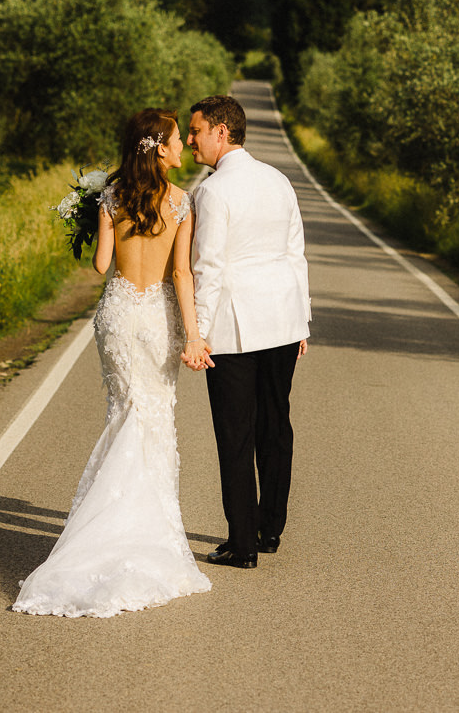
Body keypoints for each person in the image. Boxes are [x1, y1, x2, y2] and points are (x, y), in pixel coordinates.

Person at [13, 108, 213, 617]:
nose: (180, 147)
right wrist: (193, 336)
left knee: (125, 412)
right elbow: (182, 276)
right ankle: (142, 531)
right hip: (157, 317)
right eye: (174, 139)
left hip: (118, 315)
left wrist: (94, 213)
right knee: (153, 416)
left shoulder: (112, 196)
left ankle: (103, 528)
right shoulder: (181, 203)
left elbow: (102, 265)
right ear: (159, 147)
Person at [187, 94, 310, 570]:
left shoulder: (213, 192)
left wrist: (196, 332)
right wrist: (303, 320)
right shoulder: (279, 181)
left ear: (222, 131)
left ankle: (243, 544)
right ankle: (270, 529)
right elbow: (294, 254)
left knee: (235, 436)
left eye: (196, 131)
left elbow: (209, 267)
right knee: (275, 427)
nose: (192, 140)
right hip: (282, 322)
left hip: (235, 331)